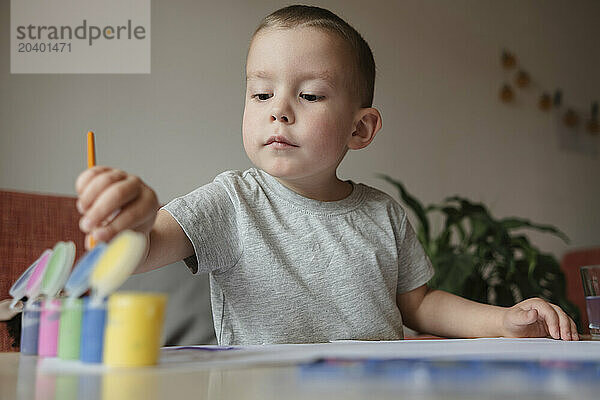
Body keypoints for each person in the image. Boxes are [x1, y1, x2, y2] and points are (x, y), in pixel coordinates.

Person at [74, 5, 578, 345]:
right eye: (261, 93)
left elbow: (420, 305)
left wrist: (504, 321)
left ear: (360, 128)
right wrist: (130, 220)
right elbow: (136, 254)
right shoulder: (230, 202)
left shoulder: (384, 213)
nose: (279, 111)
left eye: (310, 95)